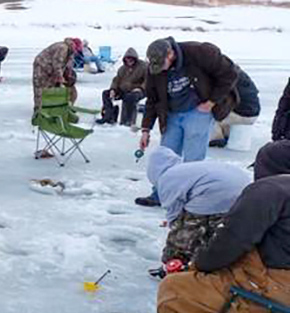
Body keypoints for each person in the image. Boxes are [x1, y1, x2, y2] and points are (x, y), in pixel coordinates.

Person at [156, 154, 290, 313]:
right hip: (274, 283)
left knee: (175, 289)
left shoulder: (271, 190)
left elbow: (230, 243)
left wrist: (196, 265)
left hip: (276, 302)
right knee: (221, 276)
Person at [136, 37, 239, 207]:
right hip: (171, 113)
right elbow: (152, 100)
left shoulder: (200, 52)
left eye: (162, 64)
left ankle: (188, 199)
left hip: (198, 111)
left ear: (171, 54)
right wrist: (146, 129)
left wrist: (211, 102)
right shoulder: (154, 69)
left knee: (193, 159)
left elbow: (230, 74)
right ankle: (160, 194)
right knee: (166, 155)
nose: (159, 69)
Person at [146, 147, 251, 265]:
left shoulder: (167, 178)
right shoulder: (188, 168)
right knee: (216, 232)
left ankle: (174, 264)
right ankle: (216, 264)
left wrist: (176, 225)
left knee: (185, 234)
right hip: (244, 188)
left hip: (215, 192)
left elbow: (173, 212)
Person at [210, 67, 260, 148]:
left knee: (204, 112)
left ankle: (215, 139)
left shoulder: (223, 77)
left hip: (240, 114)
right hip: (252, 113)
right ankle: (227, 133)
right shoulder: (237, 73)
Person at [96, 48, 146, 126]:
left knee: (130, 97)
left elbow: (148, 80)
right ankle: (108, 116)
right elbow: (116, 80)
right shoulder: (122, 69)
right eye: (127, 59)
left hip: (139, 91)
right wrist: (113, 89)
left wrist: (140, 88)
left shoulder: (143, 67)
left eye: (131, 59)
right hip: (123, 89)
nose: (129, 61)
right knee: (106, 93)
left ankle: (128, 121)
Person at [32, 38, 78, 116]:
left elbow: (68, 65)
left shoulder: (70, 51)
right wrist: (60, 77)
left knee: (54, 87)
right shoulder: (62, 48)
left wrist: (68, 75)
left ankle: (55, 108)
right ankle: (39, 111)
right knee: (41, 88)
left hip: (52, 69)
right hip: (42, 67)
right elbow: (57, 63)